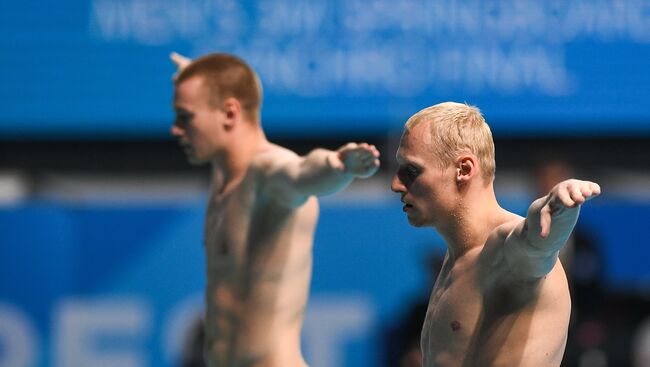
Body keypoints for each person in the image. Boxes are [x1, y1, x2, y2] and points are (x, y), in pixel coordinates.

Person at [170, 52, 380, 367]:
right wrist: (198, 73)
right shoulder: (223, 172)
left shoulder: (266, 173)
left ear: (229, 113)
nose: (176, 129)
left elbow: (301, 173)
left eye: (185, 117)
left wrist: (337, 166)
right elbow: (232, 85)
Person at [390, 102, 600, 366]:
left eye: (412, 170)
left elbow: (536, 242)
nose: (395, 184)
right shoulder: (456, 258)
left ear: (464, 169)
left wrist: (558, 207)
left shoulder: (507, 253)